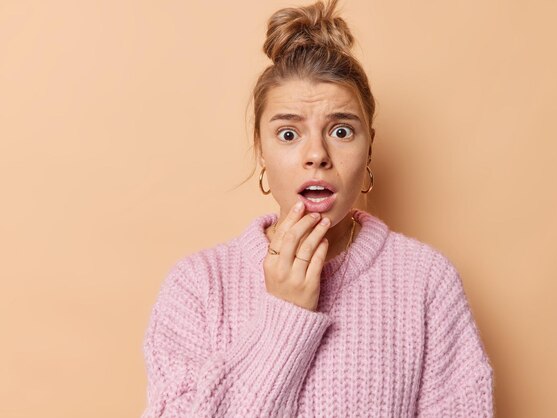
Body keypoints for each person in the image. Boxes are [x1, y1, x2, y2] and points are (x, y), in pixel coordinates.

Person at [140, 0, 494, 416]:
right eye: (288, 134)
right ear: (261, 152)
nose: (316, 155)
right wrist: (284, 317)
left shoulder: (426, 283)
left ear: (369, 149)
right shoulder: (198, 285)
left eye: (341, 131)